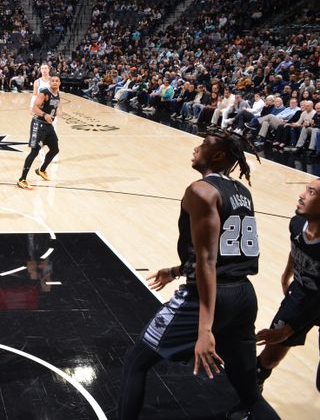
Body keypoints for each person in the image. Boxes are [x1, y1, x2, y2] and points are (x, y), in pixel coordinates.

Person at [118, 130, 278, 420]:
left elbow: (207, 260)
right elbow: (225, 254)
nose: (196, 148)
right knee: (249, 393)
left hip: (208, 296)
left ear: (217, 156)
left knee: (135, 364)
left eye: (203, 145)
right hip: (243, 295)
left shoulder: (201, 190)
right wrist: (175, 270)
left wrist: (205, 330)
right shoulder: (241, 191)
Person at [255, 179, 320, 393]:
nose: (301, 195)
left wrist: (290, 329)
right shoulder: (296, 223)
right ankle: (250, 399)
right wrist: (286, 275)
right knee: (268, 357)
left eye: (311, 192)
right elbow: (296, 248)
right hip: (302, 293)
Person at [17, 75, 61, 189]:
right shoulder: (44, 93)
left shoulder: (57, 93)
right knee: (34, 151)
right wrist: (44, 114)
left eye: (57, 81)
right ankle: (22, 179)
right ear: (50, 83)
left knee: (55, 149)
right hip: (39, 123)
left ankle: (41, 170)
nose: (55, 83)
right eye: (53, 81)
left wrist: (59, 112)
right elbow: (34, 108)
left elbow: (55, 106)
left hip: (48, 125)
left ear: (59, 83)